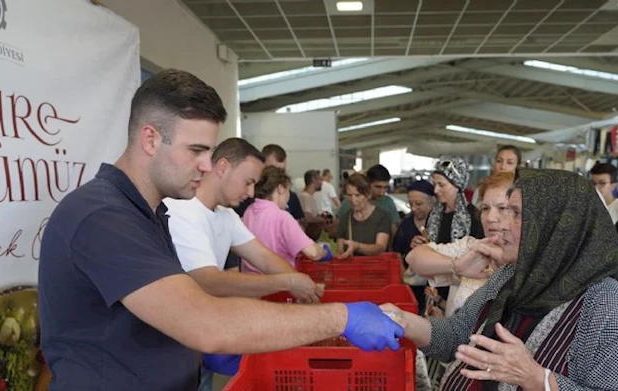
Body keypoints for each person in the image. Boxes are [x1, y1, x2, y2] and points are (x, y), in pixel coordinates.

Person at [37, 69, 403, 390]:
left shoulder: (149, 213)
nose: (206, 165)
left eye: (209, 152)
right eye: (195, 150)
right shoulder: (102, 217)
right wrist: (342, 317)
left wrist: (191, 355)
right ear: (150, 139)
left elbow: (161, 312)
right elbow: (203, 319)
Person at [382, 169, 618, 391]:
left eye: (516, 214)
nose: (501, 223)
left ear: (556, 226)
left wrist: (537, 378)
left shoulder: (612, 312)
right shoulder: (511, 276)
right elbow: (457, 336)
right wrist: (401, 321)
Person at [164, 138, 321, 301]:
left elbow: (264, 258)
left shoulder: (227, 215)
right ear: (223, 168)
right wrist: (287, 282)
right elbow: (208, 281)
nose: (251, 193)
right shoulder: (181, 211)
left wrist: (305, 288)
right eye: (248, 182)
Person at [407, 172, 515, 318]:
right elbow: (414, 258)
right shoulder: (472, 248)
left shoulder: (531, 261)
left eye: (502, 208)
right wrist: (457, 266)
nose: (490, 218)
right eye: (485, 208)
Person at [241, 166, 332, 275]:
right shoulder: (282, 217)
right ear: (280, 188)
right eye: (288, 190)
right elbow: (313, 253)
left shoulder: (248, 212)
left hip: (251, 284)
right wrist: (325, 252)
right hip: (277, 285)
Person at [391, 180, 437, 314]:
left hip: (434, 284)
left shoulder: (438, 224)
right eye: (410, 204)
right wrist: (402, 280)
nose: (413, 208)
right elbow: (398, 253)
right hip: (412, 283)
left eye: (419, 204)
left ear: (432, 202)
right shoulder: (406, 225)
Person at [337, 173, 392, 258]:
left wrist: (357, 246)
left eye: (357, 195)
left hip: (376, 269)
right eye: (349, 195)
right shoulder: (345, 218)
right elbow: (340, 251)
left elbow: (380, 247)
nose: (353, 200)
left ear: (368, 195)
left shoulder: (382, 217)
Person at [338, 164, 401, 234]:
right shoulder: (350, 202)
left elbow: (394, 231)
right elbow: (336, 230)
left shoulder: (388, 203)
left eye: (386, 187)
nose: (382, 192)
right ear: (367, 184)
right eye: (378, 187)